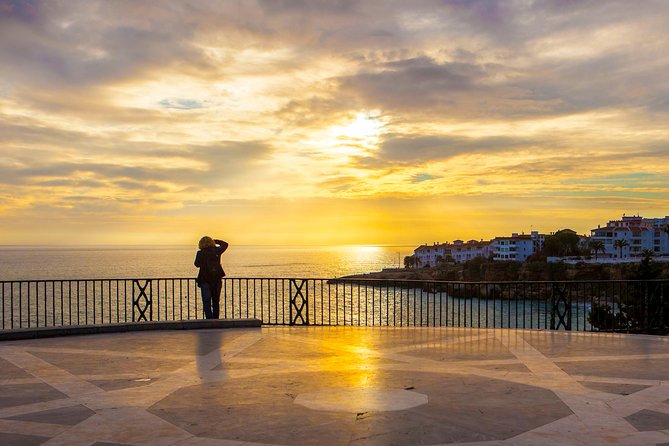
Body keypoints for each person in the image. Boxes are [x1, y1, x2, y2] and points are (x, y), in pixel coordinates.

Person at [194, 236, 228, 319]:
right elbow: (225, 244)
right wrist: (215, 241)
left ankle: (209, 320)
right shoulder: (217, 251)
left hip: (204, 279)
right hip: (216, 279)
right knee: (216, 301)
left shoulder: (200, 253)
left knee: (206, 302)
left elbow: (196, 264)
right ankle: (216, 319)